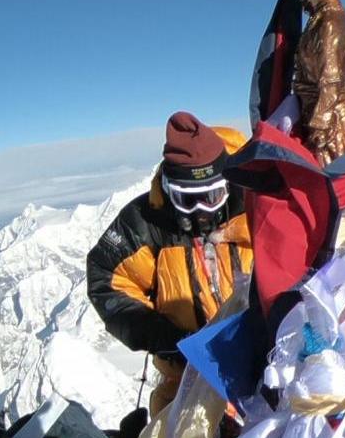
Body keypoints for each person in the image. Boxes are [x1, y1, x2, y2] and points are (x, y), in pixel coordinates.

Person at [86, 114, 253, 419]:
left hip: (260, 365)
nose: (201, 211)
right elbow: (106, 278)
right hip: (184, 379)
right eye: (187, 200)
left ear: (227, 185)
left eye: (211, 197)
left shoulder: (254, 202)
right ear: (168, 188)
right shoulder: (147, 223)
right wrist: (164, 337)